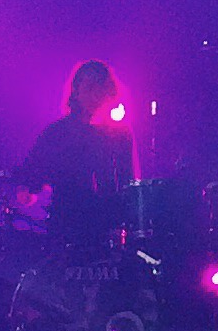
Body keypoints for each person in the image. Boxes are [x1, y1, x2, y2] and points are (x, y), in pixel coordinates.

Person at [14, 59, 135, 252]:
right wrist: (25, 187)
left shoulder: (120, 134)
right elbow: (34, 171)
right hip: (67, 229)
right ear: (77, 91)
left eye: (99, 87)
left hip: (108, 230)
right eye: (89, 87)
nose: (94, 94)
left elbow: (128, 182)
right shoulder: (58, 132)